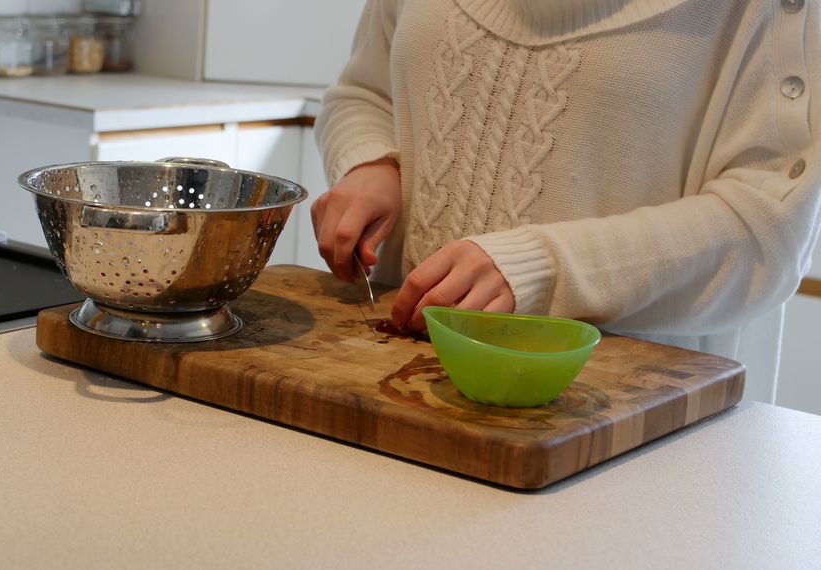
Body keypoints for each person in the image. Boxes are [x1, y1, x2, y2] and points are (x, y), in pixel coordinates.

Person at [311, 0, 820, 403]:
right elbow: (364, 92)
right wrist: (371, 163)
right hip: (390, 389)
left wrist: (541, 268)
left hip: (623, 438)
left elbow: (765, 230)